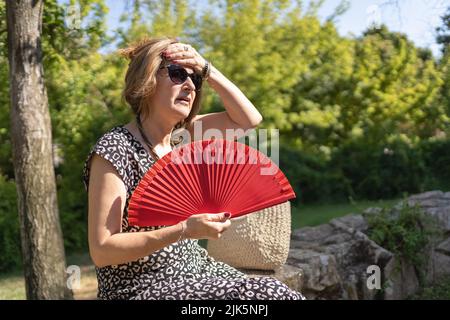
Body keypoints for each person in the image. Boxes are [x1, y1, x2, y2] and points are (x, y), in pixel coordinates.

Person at [83, 36, 305, 300]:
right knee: (265, 297)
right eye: (178, 74)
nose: (190, 85)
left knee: (281, 293)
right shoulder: (115, 148)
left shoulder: (184, 136)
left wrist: (207, 69)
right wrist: (185, 230)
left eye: (195, 79)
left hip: (196, 272)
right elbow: (103, 249)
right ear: (147, 79)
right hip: (141, 288)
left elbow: (249, 120)